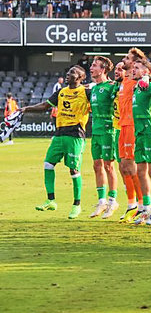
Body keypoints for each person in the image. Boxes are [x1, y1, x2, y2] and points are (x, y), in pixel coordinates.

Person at [24, 66, 91, 219]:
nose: (68, 74)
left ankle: (77, 205)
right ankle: (51, 200)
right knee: (48, 164)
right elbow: (44, 106)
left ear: (81, 77)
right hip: (59, 134)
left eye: (72, 72)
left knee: (73, 170)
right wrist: (26, 109)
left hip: (75, 135)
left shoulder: (86, 92)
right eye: (68, 72)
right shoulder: (61, 92)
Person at [130, 59, 151, 225]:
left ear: (145, 71)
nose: (133, 70)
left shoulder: (148, 85)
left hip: (150, 131)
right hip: (140, 132)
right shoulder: (136, 88)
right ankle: (146, 207)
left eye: (137, 68)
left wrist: (150, 77)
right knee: (141, 171)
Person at [88, 56, 119, 219]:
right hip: (96, 131)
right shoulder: (94, 88)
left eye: (95, 65)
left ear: (103, 69)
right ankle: (102, 201)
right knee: (96, 165)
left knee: (108, 166)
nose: (91, 68)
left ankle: (113, 200)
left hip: (108, 130)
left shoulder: (110, 87)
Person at [117, 48, 146, 222]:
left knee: (132, 166)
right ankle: (132, 205)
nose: (124, 59)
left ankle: (142, 206)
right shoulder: (125, 79)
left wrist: (147, 77)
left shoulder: (138, 79)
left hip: (133, 125)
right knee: (123, 167)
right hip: (123, 125)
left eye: (127, 58)